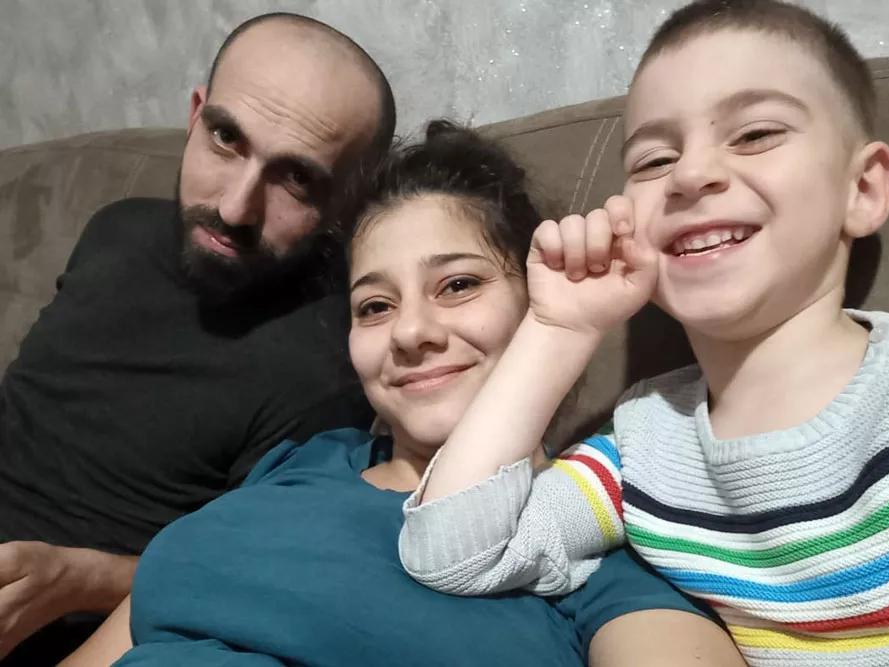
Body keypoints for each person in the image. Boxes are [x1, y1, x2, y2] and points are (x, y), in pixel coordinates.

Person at [397, 2, 889, 666]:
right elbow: (452, 554)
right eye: (654, 160)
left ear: (862, 188)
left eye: (755, 134)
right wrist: (557, 328)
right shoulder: (642, 445)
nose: (689, 175)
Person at [56, 121, 746, 667]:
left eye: (458, 284)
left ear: (542, 293)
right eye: (375, 306)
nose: (411, 332)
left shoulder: (587, 540)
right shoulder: (298, 464)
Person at [0, 13, 392, 663]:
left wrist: (75, 580)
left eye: (295, 178)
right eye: (226, 137)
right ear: (194, 116)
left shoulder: (329, 362)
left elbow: (246, 575)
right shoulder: (118, 227)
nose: (235, 207)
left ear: (349, 201)